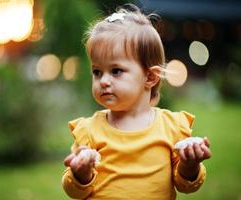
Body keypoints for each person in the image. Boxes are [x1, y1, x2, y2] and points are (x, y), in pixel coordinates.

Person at [62, 4, 212, 200]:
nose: (104, 81)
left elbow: (185, 186)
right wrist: (80, 174)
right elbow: (73, 191)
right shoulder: (89, 131)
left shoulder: (172, 128)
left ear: (150, 77)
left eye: (116, 71)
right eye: (97, 71)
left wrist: (190, 166)